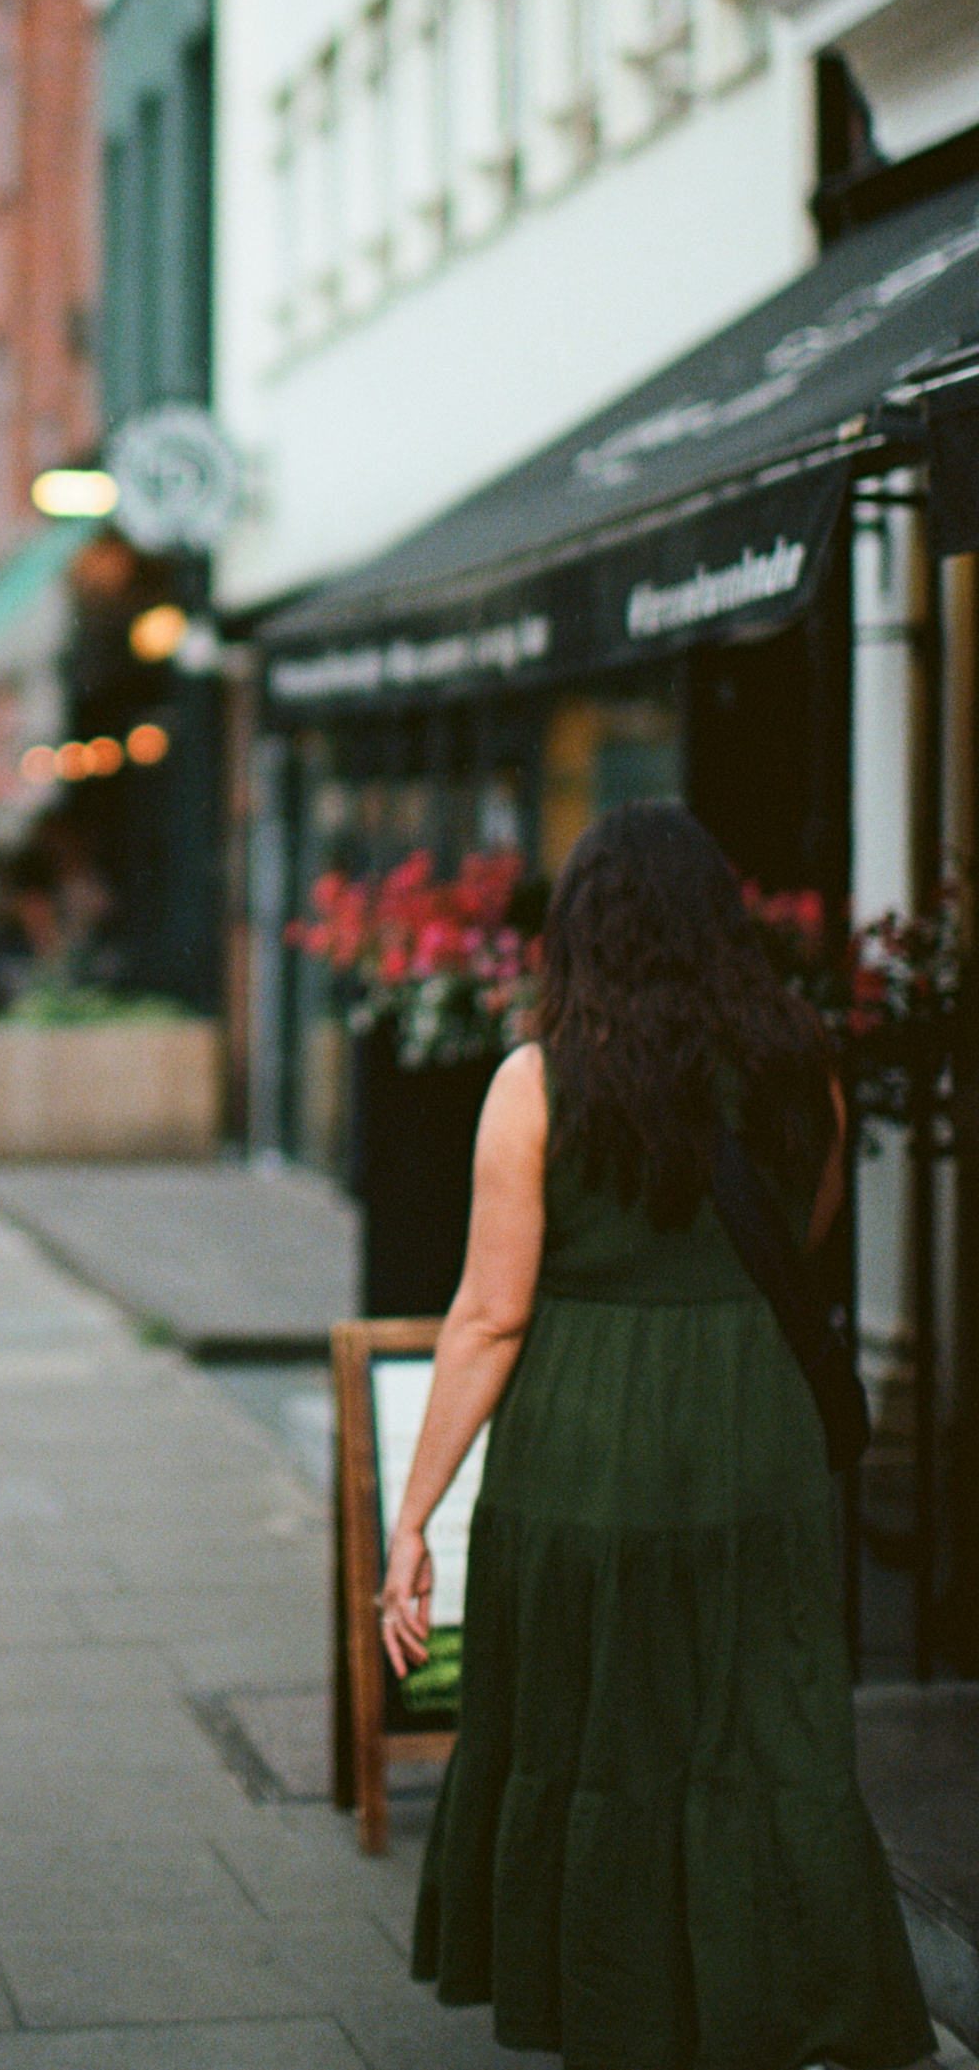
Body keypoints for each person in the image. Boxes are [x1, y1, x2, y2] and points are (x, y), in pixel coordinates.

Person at [382, 800, 934, 2070]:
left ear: (579, 927)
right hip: (756, 1438)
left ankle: (622, 2009)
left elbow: (485, 1315)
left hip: (586, 1447)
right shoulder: (805, 1062)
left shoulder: (537, 1080)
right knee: (760, 1728)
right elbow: (792, 1247)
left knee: (602, 1733)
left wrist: (410, 1518)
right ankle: (769, 2002)